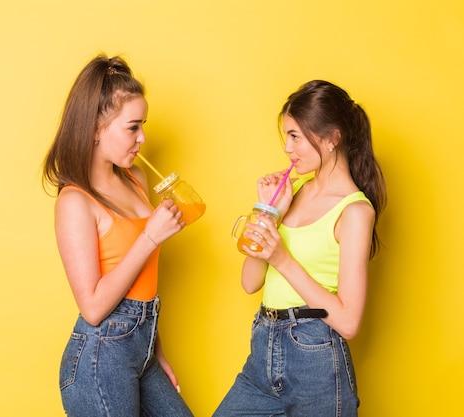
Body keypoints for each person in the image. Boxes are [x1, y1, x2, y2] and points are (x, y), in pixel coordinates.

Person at [213, 80, 387, 417]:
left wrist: (282, 258)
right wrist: (268, 213)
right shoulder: (293, 192)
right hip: (264, 345)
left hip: (315, 356)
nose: (287, 148)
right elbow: (250, 282)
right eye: (287, 136)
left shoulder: (355, 212)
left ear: (331, 138)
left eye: (295, 136)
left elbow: (349, 322)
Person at [42, 54, 194, 417]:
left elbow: (144, 289)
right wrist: (150, 238)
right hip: (99, 360)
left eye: (144, 125)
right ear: (96, 128)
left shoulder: (136, 179)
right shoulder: (74, 201)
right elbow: (93, 308)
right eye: (132, 127)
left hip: (140, 350)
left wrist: (154, 355)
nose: (142, 138)